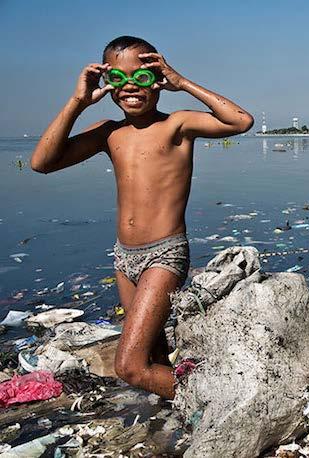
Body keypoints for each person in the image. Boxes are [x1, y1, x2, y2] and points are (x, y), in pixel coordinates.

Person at [30, 36, 254, 399]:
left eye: (142, 77)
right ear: (106, 83)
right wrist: (77, 102)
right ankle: (178, 416)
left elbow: (241, 121)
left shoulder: (176, 125)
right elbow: (42, 163)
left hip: (164, 255)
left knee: (130, 367)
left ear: (157, 79)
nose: (131, 86)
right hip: (124, 258)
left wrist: (181, 82)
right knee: (153, 352)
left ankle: (221, 399)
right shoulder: (108, 132)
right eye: (118, 78)